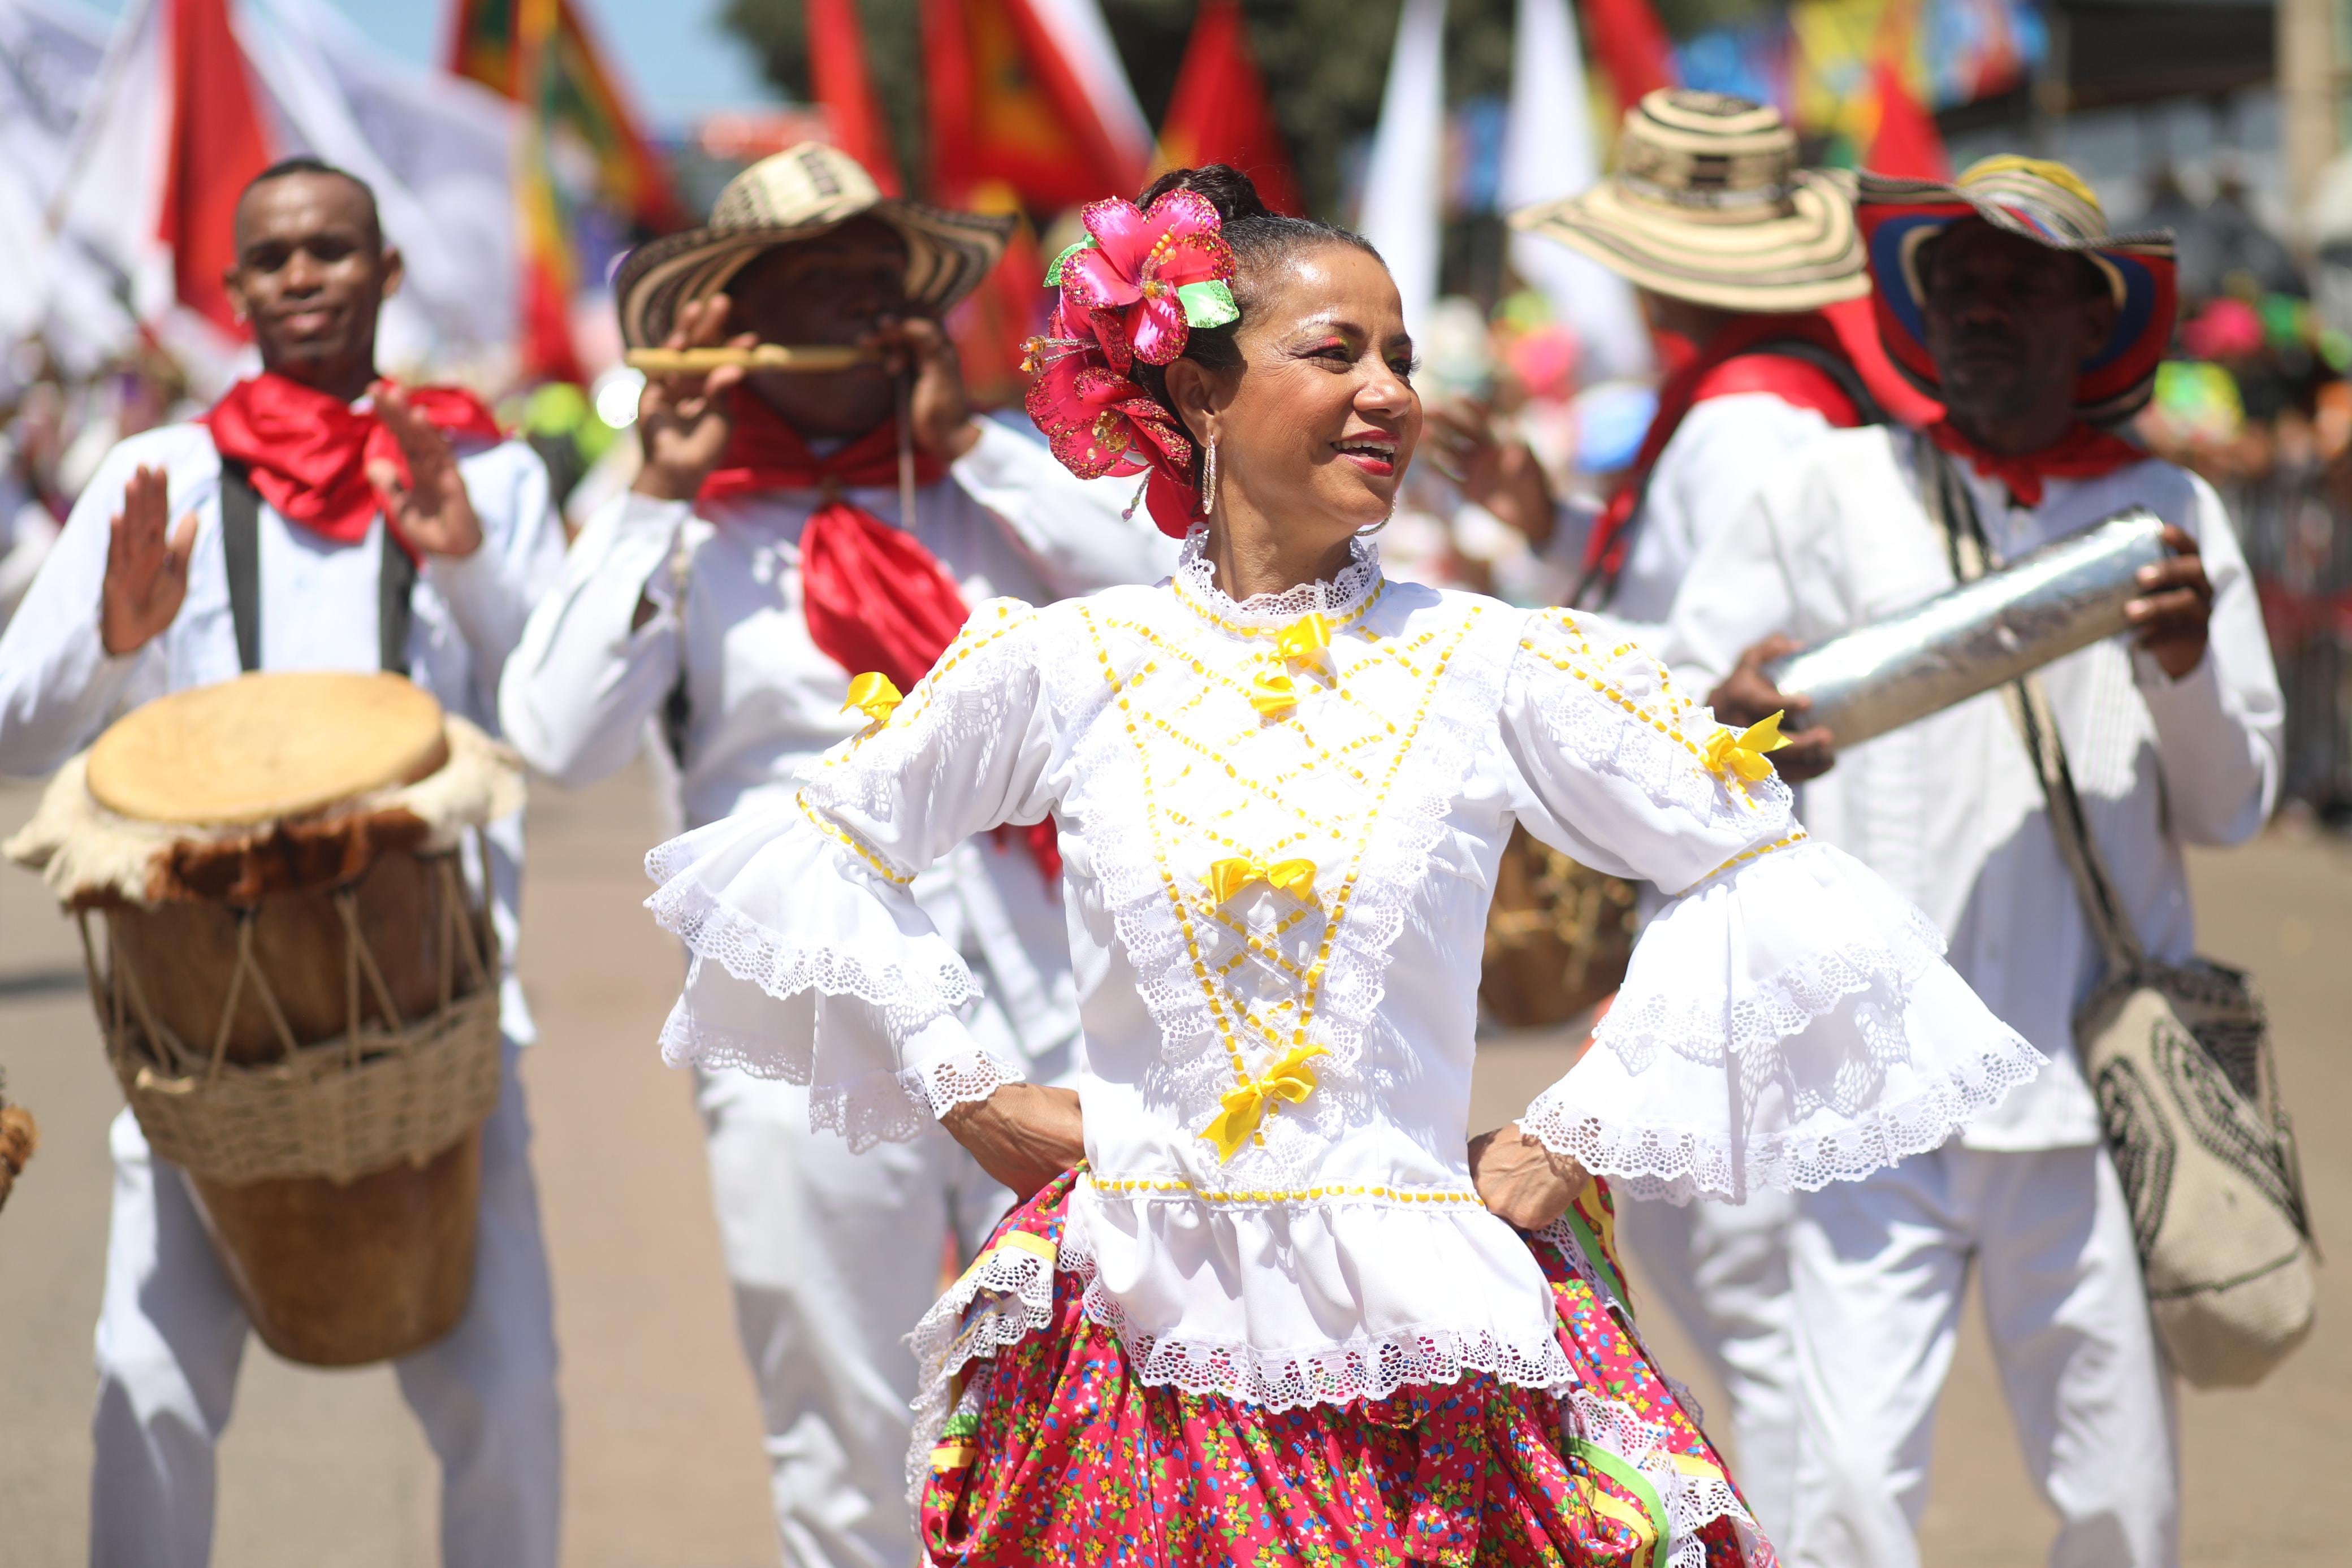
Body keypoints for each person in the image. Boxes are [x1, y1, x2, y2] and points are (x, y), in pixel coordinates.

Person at [639, 164, 2043, 1567]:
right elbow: (813, 851)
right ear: (1198, 397)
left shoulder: (1491, 660)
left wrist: (1575, 1132)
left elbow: (1762, 868)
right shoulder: (1071, 661)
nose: (1386, 392)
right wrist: (968, 1091)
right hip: (1135, 1349)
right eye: (1333, 352)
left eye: (1400, 358)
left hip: (1428, 1343)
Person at [497, 142, 1174, 1568]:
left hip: (1047, 983)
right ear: (734, 314)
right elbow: (554, 737)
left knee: (1117, 1351)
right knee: (843, 1398)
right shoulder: (684, 520)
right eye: (811, 279)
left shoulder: (989, 487)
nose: (853, 303)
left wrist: (982, 437)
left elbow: (1185, 616)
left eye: (873, 274)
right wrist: (649, 488)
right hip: (807, 1019)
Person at [1667, 157, 2279, 1568]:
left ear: (2088, 315)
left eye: (2022, 283)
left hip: (2082, 1086)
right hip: (1868, 1085)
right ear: (1918, 311)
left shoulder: (2163, 508)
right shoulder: (1824, 489)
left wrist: (2182, 663)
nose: (1983, 309)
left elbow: (2233, 804)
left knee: (2118, 1499)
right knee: (1843, 1502)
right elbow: (1683, 694)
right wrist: (1735, 719)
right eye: (1959, 281)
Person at [0, 159, 564, 1566]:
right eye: (273, 259)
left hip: (435, 1020)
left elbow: (566, 721)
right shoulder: (156, 477)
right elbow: (18, 728)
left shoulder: (480, 467)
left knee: (503, 1400)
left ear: (387, 272)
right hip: (206, 1028)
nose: (303, 276)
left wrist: (475, 563)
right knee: (147, 1382)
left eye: (332, 251)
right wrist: (112, 641)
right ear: (236, 289)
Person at [1480, 87, 1899, 1527]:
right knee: (1759, 1293)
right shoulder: (1767, 399)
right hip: (1755, 875)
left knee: (1753, 1297)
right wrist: (1548, 541)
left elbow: (1709, 677)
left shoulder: (1741, 419)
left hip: (1740, 886)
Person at [1497, 89, 1903, 634]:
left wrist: (1537, 648)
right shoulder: (1764, 388)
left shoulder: (1742, 423)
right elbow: (1673, 574)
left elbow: (1735, 656)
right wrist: (1546, 519)